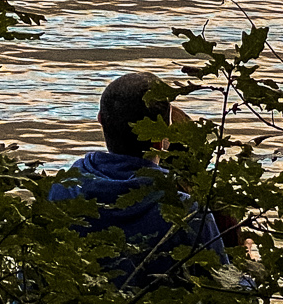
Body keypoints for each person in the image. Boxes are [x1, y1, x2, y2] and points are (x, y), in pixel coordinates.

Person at [48, 71, 234, 289]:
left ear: (100, 121)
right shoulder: (187, 213)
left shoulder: (63, 190)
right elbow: (226, 292)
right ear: (163, 139)